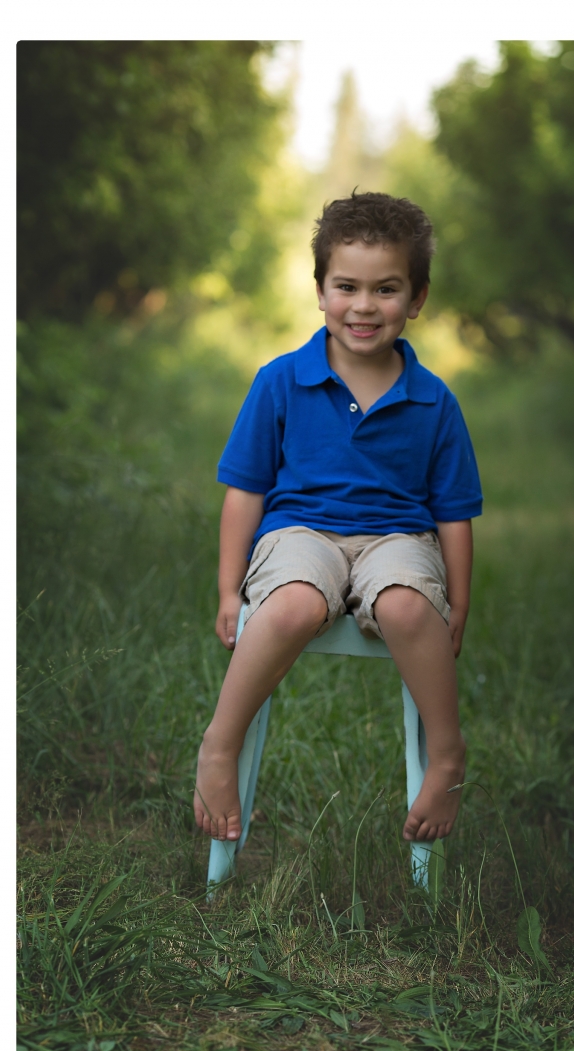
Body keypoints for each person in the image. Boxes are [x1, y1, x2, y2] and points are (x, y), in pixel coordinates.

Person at [194, 191, 482, 846]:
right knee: (292, 604)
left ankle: (446, 755)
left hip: (396, 537)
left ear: (416, 298)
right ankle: (219, 744)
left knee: (411, 609)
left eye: (386, 289)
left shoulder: (434, 402)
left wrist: (458, 603)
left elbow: (455, 513)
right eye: (346, 286)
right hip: (300, 533)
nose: (363, 305)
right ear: (320, 290)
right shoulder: (279, 380)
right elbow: (244, 491)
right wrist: (228, 589)